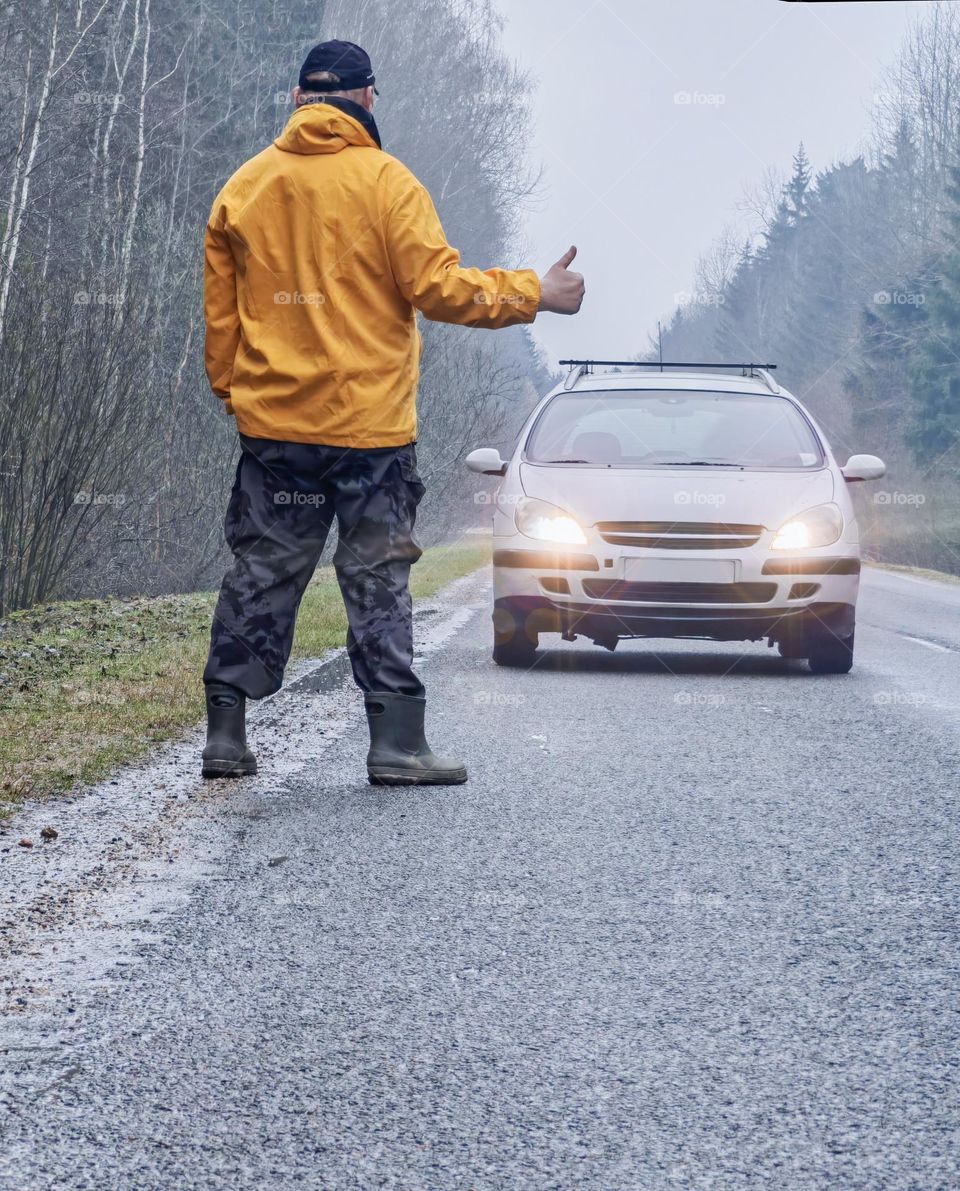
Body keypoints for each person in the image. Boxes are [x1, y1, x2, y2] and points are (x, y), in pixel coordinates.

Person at [201, 39, 584, 786]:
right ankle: (397, 746)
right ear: (367, 99)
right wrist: (535, 292)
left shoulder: (243, 188)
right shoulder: (388, 184)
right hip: (370, 435)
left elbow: (222, 324)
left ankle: (225, 734)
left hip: (274, 430)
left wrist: (238, 396)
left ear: (296, 99)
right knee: (376, 577)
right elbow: (440, 289)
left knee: (264, 570)